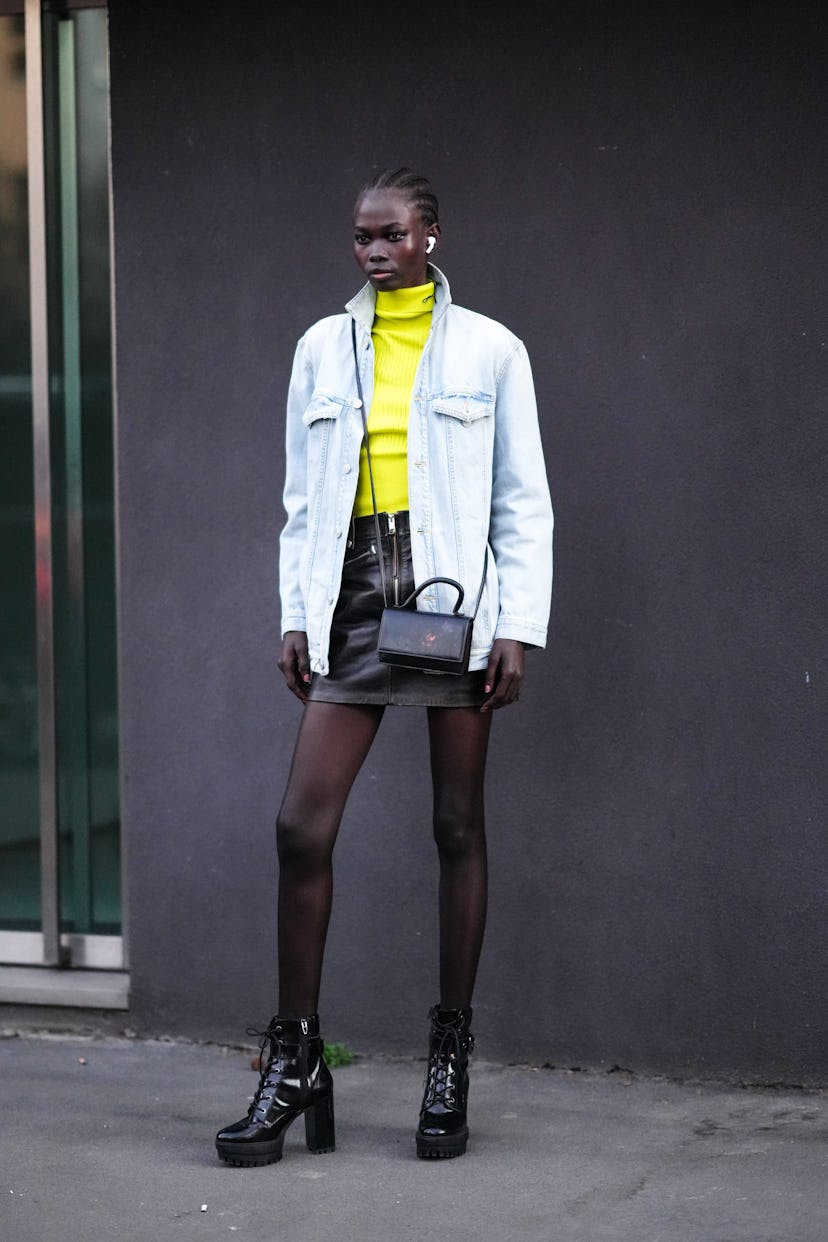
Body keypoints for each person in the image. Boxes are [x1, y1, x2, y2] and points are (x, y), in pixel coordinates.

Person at [215, 167, 553, 1166]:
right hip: (353, 596)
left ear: (430, 236)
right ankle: (295, 1060)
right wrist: (293, 615)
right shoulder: (322, 347)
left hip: (450, 602)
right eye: (361, 235)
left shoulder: (491, 348)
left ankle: (449, 1057)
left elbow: (520, 503)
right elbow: (300, 500)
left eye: (392, 233)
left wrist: (515, 628)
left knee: (457, 824)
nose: (373, 249)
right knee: (299, 827)